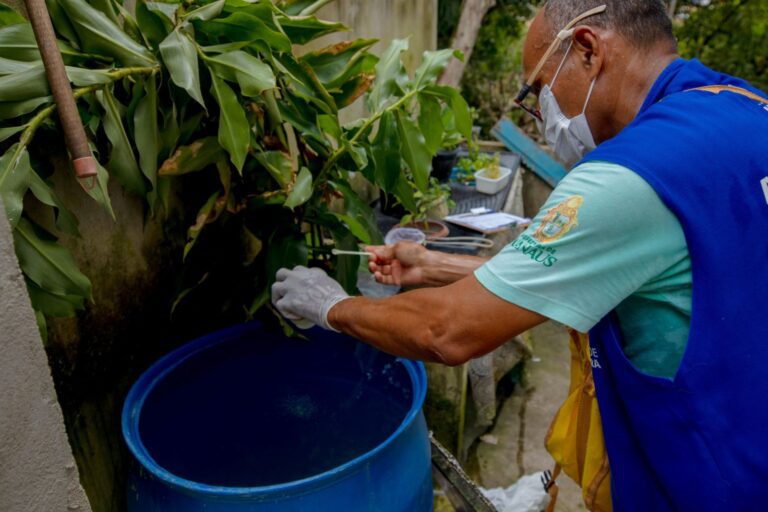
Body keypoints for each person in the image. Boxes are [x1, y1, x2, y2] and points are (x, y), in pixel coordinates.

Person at [272, 1, 768, 510]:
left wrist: (330, 307)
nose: (542, 113)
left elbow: (448, 330)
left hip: (708, 479)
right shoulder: (745, 107)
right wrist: (435, 266)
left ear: (587, 50)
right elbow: (619, 264)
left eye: (537, 90)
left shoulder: (631, 175)